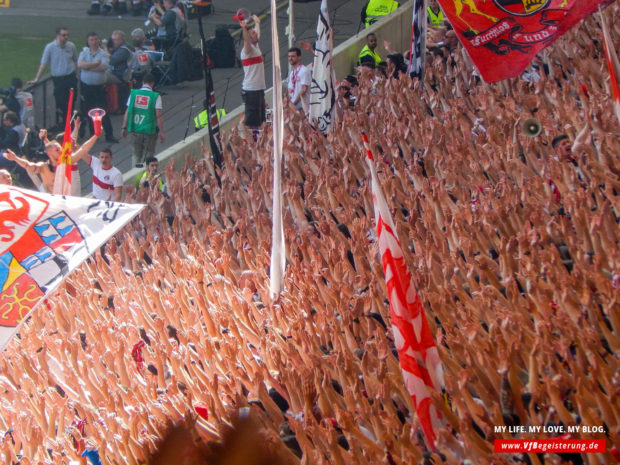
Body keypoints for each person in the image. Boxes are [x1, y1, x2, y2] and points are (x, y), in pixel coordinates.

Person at [29, 27, 77, 128]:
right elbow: (43, 64)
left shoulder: (71, 46)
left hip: (70, 78)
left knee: (71, 103)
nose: (66, 37)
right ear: (58, 36)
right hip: (58, 80)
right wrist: (36, 78)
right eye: (63, 35)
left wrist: (78, 75)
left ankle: (68, 125)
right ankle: (65, 124)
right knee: (61, 103)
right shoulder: (50, 47)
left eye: (67, 35)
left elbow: (75, 60)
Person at [78, 32, 118, 143]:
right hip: (87, 87)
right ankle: (92, 135)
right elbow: (80, 65)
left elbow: (103, 67)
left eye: (96, 39)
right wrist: (95, 64)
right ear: (88, 41)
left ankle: (109, 134)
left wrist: (87, 67)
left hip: (99, 87)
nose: (94, 42)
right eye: (92, 40)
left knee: (103, 111)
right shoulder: (84, 52)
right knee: (89, 111)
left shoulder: (103, 54)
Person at [121, 73, 164, 168]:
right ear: (152, 83)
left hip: (135, 130)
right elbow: (158, 116)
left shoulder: (133, 94)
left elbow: (127, 112)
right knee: (149, 156)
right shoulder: (155, 96)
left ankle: (135, 175)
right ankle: (146, 176)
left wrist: (124, 127)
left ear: (143, 82)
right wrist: (162, 132)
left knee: (136, 155)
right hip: (150, 131)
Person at [240, 15, 266, 131]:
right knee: (252, 121)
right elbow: (246, 39)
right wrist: (244, 29)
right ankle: (251, 142)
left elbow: (257, 36)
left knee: (260, 119)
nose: (255, 33)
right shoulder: (247, 50)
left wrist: (258, 23)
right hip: (251, 90)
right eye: (253, 33)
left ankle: (257, 141)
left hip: (258, 89)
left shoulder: (256, 47)